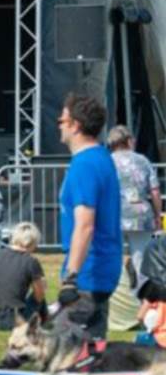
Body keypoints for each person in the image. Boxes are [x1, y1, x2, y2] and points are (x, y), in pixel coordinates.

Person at [55, 95, 122, 340]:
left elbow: (85, 225)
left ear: (75, 125)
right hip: (102, 267)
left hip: (89, 271)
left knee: (63, 353)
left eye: (61, 120)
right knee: (93, 353)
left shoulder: (85, 164)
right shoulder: (102, 157)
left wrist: (71, 276)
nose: (59, 125)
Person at [108, 125, 161, 300]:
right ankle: (144, 306)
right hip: (141, 217)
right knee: (142, 264)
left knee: (112, 260)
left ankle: (114, 305)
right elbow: (154, 191)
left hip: (114, 217)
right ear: (128, 140)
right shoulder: (143, 160)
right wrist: (158, 215)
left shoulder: (107, 161)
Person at [0, 222, 47, 330]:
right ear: (33, 242)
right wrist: (43, 284)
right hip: (14, 320)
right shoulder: (31, 261)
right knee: (39, 293)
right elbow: (39, 295)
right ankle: (45, 320)